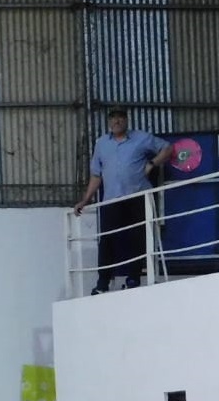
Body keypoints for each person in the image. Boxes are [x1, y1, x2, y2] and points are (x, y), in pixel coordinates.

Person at [74, 107, 173, 294]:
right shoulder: (101, 144)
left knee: (137, 237)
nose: (116, 122)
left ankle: (134, 277)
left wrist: (152, 164)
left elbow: (167, 148)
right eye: (113, 118)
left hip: (137, 196)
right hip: (112, 199)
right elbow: (96, 174)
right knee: (108, 239)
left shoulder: (141, 138)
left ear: (126, 120)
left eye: (120, 118)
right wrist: (85, 199)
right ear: (108, 122)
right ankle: (103, 281)